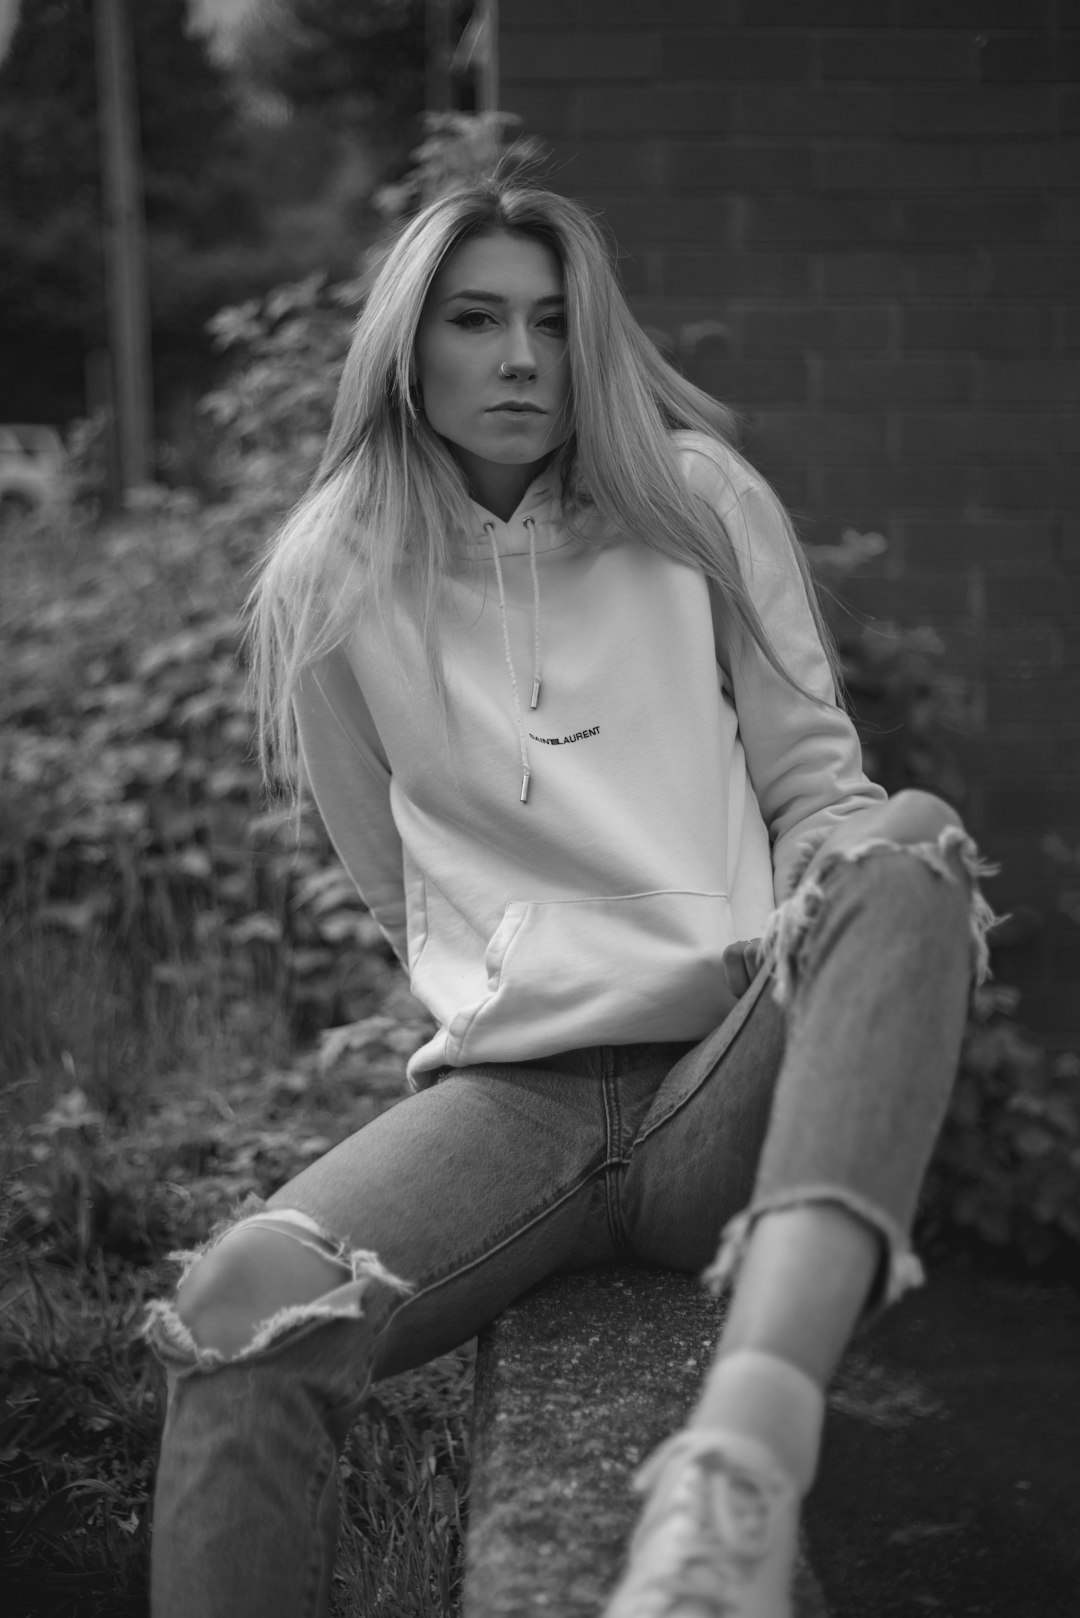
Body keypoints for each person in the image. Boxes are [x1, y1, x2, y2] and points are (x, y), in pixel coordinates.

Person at [144, 170, 997, 1618]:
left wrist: (832, 925)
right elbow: (391, 868)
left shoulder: (698, 505)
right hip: (510, 1109)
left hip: (721, 1073)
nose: (522, 356)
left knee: (912, 848)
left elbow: (816, 791)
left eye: (551, 320)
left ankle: (734, 1465)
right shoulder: (333, 579)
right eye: (476, 319)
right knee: (237, 1307)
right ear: (409, 349)